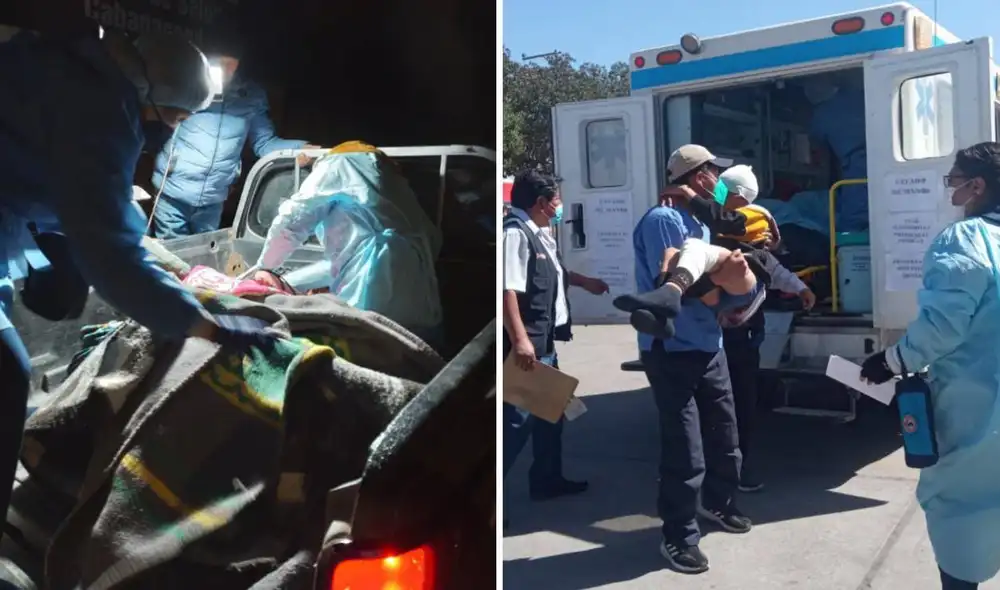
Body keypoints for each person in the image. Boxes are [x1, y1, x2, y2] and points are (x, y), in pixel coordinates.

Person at [0, 25, 275, 585]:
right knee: (7, 376)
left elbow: (68, 198)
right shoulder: (100, 109)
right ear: (153, 99)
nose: (168, 135)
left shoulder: (58, 63)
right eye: (174, 121)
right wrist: (205, 324)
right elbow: (111, 253)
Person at [859, 142, 1000, 590]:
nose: (951, 191)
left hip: (979, 414)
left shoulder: (967, 239)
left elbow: (941, 328)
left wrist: (890, 360)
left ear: (976, 186)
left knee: (963, 512)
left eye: (953, 181)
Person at [624, 145, 757, 575]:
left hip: (708, 344)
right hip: (673, 349)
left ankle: (718, 503)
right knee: (685, 450)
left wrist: (726, 305)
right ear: (695, 175)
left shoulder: (698, 219)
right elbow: (683, 280)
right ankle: (678, 536)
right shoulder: (664, 218)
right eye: (711, 172)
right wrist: (723, 295)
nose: (717, 179)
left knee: (725, 436)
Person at [254, 142, 445, 344]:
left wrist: (265, 265)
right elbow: (432, 238)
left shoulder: (339, 164)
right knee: (413, 351)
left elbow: (294, 219)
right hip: (419, 283)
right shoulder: (392, 181)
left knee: (365, 344)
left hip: (374, 277)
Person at [502, 170, 609, 502]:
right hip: (529, 346)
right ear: (541, 203)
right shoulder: (516, 235)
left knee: (551, 416)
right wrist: (520, 340)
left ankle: (547, 479)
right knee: (516, 424)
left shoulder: (539, 233)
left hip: (545, 342)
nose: (561, 206)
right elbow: (506, 290)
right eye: (557, 200)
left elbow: (552, 272)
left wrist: (584, 282)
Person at [150, 28, 317, 239]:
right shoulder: (186, 85)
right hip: (172, 195)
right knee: (171, 260)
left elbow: (265, 144)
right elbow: (151, 115)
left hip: (213, 201)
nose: (226, 71)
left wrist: (301, 148)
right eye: (221, 63)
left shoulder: (250, 96)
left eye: (232, 64)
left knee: (203, 262)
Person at [804, 79, 869, 232]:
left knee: (855, 220)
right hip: (878, 156)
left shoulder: (822, 115)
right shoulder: (857, 96)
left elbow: (815, 143)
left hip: (856, 166)